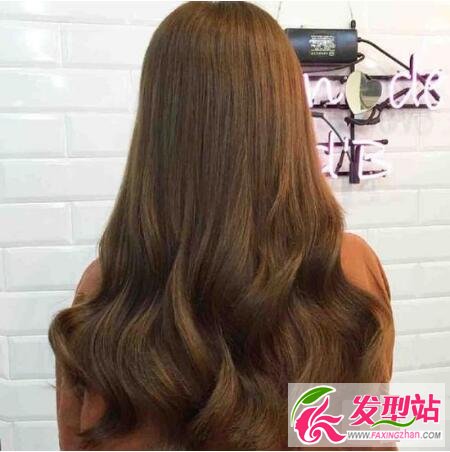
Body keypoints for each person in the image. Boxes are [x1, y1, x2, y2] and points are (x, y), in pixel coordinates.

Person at [48, 2, 395, 449]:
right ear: (287, 119)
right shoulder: (349, 270)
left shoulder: (107, 291)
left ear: (157, 127)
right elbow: (369, 430)